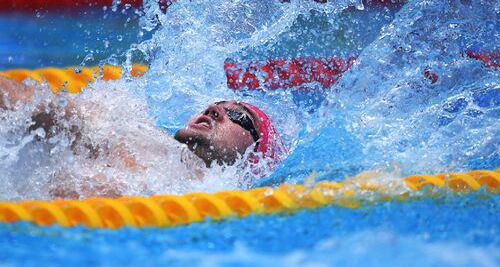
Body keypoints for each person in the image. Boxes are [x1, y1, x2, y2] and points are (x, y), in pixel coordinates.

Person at [0, 76, 286, 197]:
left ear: (255, 155)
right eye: (217, 105)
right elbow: (36, 105)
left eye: (237, 116)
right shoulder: (130, 131)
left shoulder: (211, 198)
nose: (214, 109)